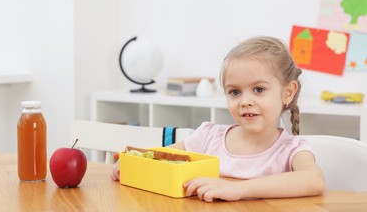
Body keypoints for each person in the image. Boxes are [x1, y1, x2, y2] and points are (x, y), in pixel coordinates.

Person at [111, 36, 325, 202]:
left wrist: (238, 189)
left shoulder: (292, 149)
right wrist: (135, 163)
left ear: (287, 92)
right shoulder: (208, 136)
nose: (245, 101)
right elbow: (163, 157)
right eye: (235, 92)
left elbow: (314, 180)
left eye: (258, 89)